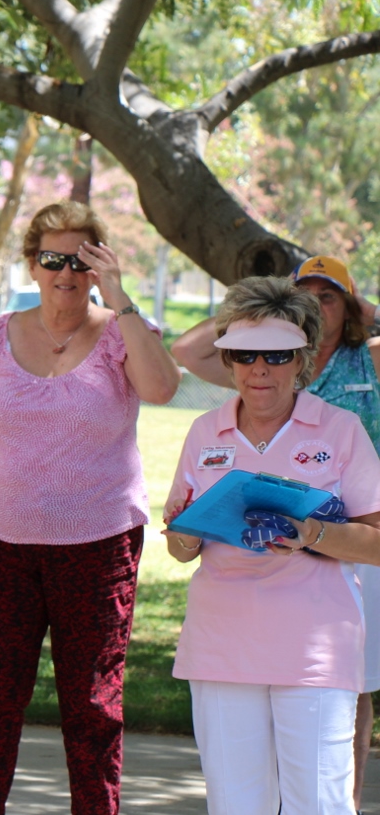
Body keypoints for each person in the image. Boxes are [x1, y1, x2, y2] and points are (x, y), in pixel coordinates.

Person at [0, 201, 180, 814]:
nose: (66, 272)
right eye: (53, 258)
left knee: (92, 708)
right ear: (32, 265)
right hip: (4, 546)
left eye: (82, 260)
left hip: (100, 548)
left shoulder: (122, 332)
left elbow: (162, 388)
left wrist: (121, 296)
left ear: (99, 264)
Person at [164, 276, 380, 814]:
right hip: (220, 646)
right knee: (236, 805)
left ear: (302, 358)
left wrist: (311, 534)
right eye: (244, 354)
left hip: (314, 648)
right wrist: (184, 532)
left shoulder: (341, 429)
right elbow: (181, 549)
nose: (259, 369)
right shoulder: (203, 432)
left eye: (277, 355)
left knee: (319, 805)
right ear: (230, 360)